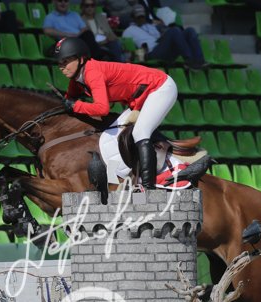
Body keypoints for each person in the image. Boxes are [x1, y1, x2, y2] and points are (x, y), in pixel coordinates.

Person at [55, 37, 178, 190]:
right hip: (140, 98)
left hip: (160, 87)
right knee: (111, 136)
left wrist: (76, 106)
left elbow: (102, 108)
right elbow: (69, 100)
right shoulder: (77, 78)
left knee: (140, 133)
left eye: (66, 61)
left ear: (80, 59)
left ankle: (148, 187)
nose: (62, 67)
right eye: (60, 63)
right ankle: (116, 182)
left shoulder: (92, 72)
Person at [122, 5, 206, 69]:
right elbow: (128, 51)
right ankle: (189, 60)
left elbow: (159, 37)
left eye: (142, 17)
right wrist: (141, 52)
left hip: (162, 47)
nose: (141, 19)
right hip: (152, 52)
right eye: (138, 17)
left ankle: (200, 61)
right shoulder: (128, 31)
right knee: (174, 30)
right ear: (133, 18)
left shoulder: (150, 26)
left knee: (190, 30)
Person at [43, 0, 110, 60]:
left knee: (88, 33)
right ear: (54, 2)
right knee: (89, 38)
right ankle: (99, 56)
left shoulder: (74, 15)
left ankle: (98, 56)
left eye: (66, 1)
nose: (63, 3)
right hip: (66, 42)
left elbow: (84, 28)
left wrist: (77, 35)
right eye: (60, 1)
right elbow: (47, 30)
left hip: (79, 39)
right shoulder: (50, 17)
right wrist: (67, 34)